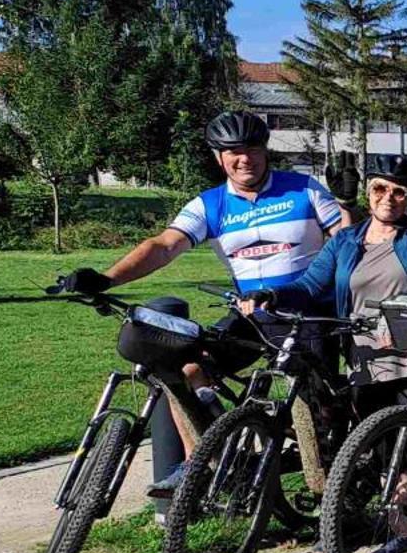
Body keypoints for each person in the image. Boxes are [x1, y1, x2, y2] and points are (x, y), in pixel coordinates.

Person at [61, 110, 346, 495]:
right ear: (219, 157)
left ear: (265, 151)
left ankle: (331, 500)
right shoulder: (210, 205)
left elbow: (346, 237)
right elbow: (163, 246)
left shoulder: (304, 189)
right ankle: (203, 462)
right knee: (188, 368)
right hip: (250, 316)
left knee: (318, 418)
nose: (244, 158)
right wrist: (107, 278)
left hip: (307, 315)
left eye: (252, 149)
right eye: (233, 151)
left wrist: (346, 203)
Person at [247, 156, 407, 553]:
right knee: (386, 453)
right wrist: (274, 296)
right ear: (368, 192)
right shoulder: (346, 241)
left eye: (398, 192)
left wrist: (399, 310)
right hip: (365, 360)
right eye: (379, 189)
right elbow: (309, 284)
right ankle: (403, 534)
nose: (388, 198)